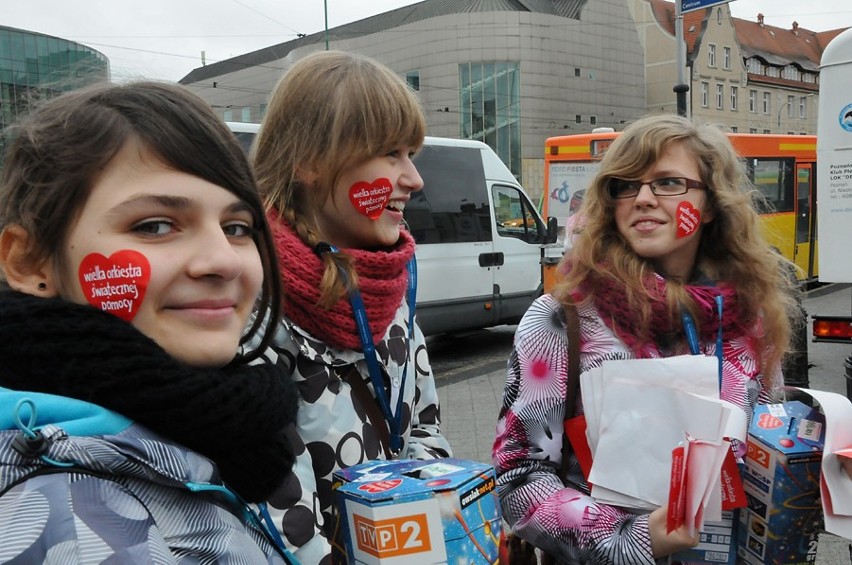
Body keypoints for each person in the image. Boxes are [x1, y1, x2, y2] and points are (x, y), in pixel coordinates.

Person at [0, 82, 299, 563]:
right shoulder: (73, 519)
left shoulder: (200, 432)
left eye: (237, 228)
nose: (223, 261)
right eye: (155, 226)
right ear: (32, 264)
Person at [493, 114, 798, 563]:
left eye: (668, 183)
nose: (644, 198)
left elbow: (768, 450)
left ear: (711, 203)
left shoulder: (750, 320)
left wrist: (817, 462)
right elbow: (519, 478)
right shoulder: (563, 319)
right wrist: (630, 538)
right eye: (626, 185)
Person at [252, 50, 452, 563]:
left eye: (412, 154)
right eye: (390, 153)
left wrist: (433, 517)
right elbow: (282, 514)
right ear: (310, 162)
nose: (414, 178)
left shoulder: (390, 286)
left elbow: (423, 426)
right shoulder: (253, 306)